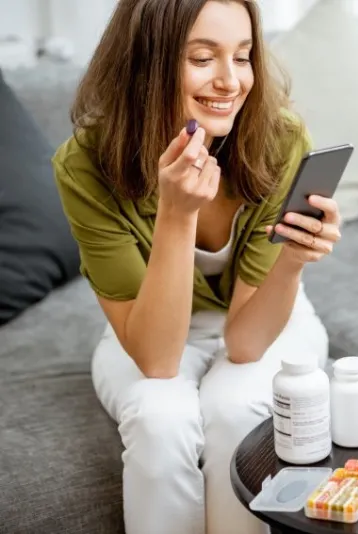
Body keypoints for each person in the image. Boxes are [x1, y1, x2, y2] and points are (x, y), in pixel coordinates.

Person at [51, 1, 339, 533]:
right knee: (160, 419)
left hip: (267, 317)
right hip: (145, 326)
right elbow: (158, 360)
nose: (231, 81)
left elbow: (247, 344)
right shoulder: (85, 165)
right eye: (203, 58)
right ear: (147, 64)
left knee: (235, 408)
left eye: (244, 56)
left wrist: (293, 262)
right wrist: (177, 217)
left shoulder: (278, 141)